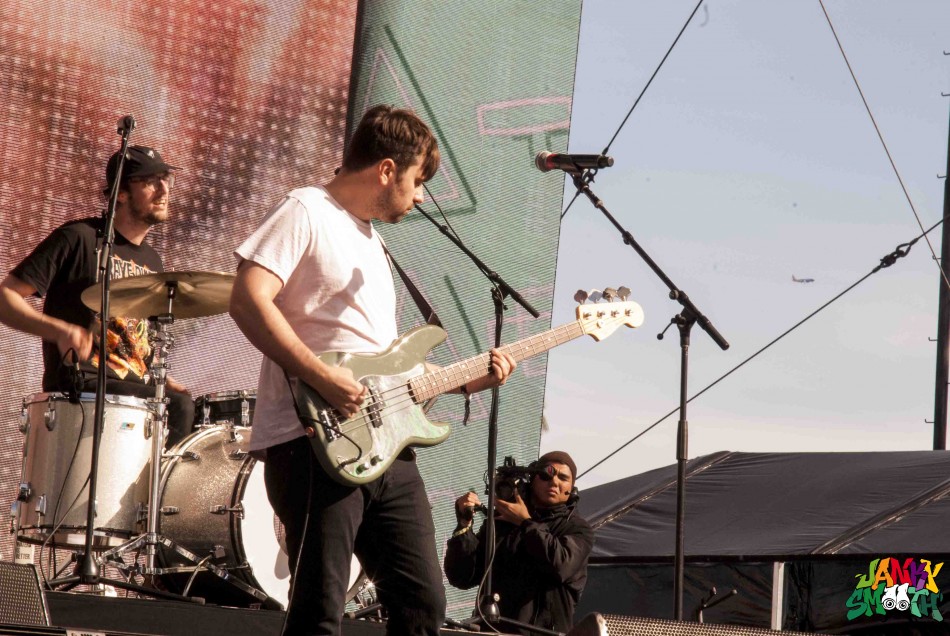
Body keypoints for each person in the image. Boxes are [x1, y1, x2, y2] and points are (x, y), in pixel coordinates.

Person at [229, 104, 518, 635]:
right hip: (313, 442)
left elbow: (386, 363)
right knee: (319, 612)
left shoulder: (374, 241)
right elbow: (247, 299)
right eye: (418, 181)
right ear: (387, 170)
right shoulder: (306, 210)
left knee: (423, 604)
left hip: (386, 452)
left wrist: (467, 380)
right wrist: (319, 375)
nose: (421, 196)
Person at [0, 145, 194, 447]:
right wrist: (60, 331)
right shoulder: (79, 237)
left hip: (133, 391)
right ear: (121, 193)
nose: (164, 189)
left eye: (166, 179)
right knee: (179, 407)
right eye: (150, 181)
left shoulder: (153, 262)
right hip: (84, 386)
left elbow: (134, 337)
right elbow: (6, 298)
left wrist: (160, 378)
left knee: (185, 403)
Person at [444, 450, 594, 634]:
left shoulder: (578, 529)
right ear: (533, 480)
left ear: (571, 488)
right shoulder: (502, 521)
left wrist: (525, 523)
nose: (554, 482)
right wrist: (464, 526)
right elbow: (462, 576)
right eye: (546, 475)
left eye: (563, 478)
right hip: (492, 630)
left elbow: (560, 565)